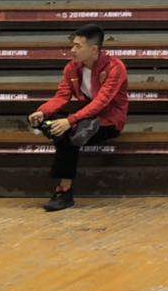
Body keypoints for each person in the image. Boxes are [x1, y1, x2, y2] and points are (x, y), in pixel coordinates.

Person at [27, 25, 129, 212]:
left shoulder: (115, 67)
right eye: (72, 45)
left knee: (67, 134)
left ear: (94, 49)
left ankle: (64, 191)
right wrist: (42, 112)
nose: (72, 50)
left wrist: (70, 121)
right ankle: (58, 127)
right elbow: (62, 96)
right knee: (60, 125)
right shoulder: (72, 67)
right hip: (86, 118)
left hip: (109, 121)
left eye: (78, 46)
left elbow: (101, 102)